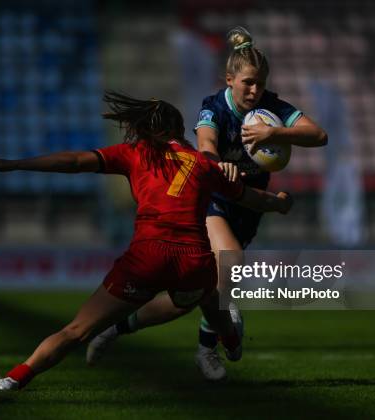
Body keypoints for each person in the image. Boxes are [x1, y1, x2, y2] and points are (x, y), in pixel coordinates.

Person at [0, 91, 293, 391]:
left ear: (145, 129)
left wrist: (17, 164)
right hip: (193, 260)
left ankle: (12, 380)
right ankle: (230, 340)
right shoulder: (203, 164)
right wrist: (279, 202)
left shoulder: (135, 153)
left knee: (77, 331)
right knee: (206, 294)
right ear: (179, 128)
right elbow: (253, 199)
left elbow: (73, 162)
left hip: (147, 257)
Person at [86, 27, 327, 381]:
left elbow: (319, 135)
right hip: (213, 199)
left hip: (248, 206)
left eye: (259, 83)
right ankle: (207, 349)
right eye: (247, 82)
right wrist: (218, 164)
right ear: (229, 79)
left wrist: (275, 132)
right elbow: (206, 145)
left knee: (189, 299)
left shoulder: (271, 108)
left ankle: (116, 329)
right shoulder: (213, 107)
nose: (254, 90)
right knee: (230, 261)